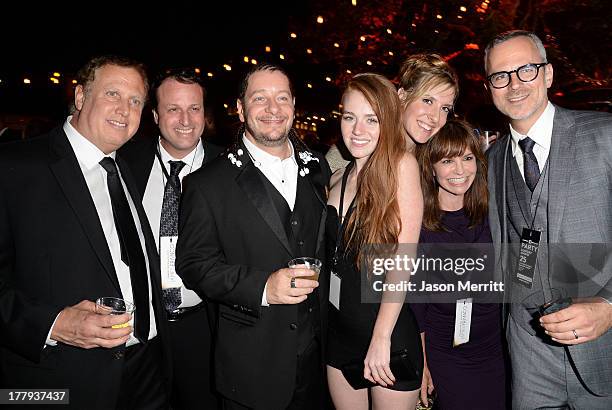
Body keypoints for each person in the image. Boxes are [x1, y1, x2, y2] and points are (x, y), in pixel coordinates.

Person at [0, 55, 170, 409]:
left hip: (147, 369)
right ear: (80, 97)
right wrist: (55, 324)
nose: (124, 109)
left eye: (136, 101)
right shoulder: (14, 168)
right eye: (112, 94)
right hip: (59, 378)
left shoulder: (126, 168)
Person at [176, 64, 330, 410]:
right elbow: (194, 264)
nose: (273, 109)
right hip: (252, 368)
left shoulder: (319, 168)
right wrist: (263, 287)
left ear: (294, 105)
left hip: (319, 365)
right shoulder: (207, 184)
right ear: (241, 108)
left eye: (282, 98)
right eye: (260, 99)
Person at [484, 30, 612, 408]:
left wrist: (609, 307)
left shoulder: (605, 135)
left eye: (526, 70)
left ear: (548, 74)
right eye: (500, 76)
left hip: (603, 347)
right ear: (489, 86)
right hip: (528, 352)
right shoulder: (492, 161)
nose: (514, 84)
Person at [120, 67, 223, 409]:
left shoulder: (230, 168)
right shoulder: (124, 163)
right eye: (173, 109)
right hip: (141, 329)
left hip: (205, 327)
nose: (185, 119)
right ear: (155, 115)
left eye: (194, 108)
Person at [325, 73, 423, 409]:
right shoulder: (337, 176)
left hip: (387, 337)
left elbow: (403, 262)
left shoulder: (400, 167)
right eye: (350, 117)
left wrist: (381, 338)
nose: (357, 130)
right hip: (338, 336)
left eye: (371, 119)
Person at [412, 120, 506, 409]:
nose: (460, 170)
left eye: (467, 158)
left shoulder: (492, 213)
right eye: (447, 160)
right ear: (431, 167)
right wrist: (423, 364)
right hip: (446, 352)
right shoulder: (418, 224)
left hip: (496, 347)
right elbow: (417, 302)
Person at [397, 54, 459, 147]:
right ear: (402, 96)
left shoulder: (436, 157)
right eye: (428, 101)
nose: (436, 118)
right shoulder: (371, 148)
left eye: (445, 108)